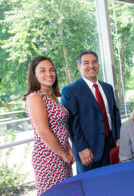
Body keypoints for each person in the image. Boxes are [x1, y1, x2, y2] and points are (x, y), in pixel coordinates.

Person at [61, 50, 121, 173]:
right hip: (89, 149)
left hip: (111, 145)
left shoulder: (108, 88)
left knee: (113, 182)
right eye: (86, 63)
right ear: (79, 67)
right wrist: (81, 148)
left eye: (94, 62)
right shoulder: (70, 91)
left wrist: (119, 137)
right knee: (91, 188)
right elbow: (72, 124)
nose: (91, 66)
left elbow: (115, 114)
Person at [24, 56, 74, 195]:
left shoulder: (52, 96)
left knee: (67, 193)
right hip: (48, 158)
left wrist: (69, 150)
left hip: (62, 154)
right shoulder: (35, 97)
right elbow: (44, 132)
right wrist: (64, 154)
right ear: (34, 75)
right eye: (43, 70)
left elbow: (61, 128)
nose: (49, 74)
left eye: (52, 70)